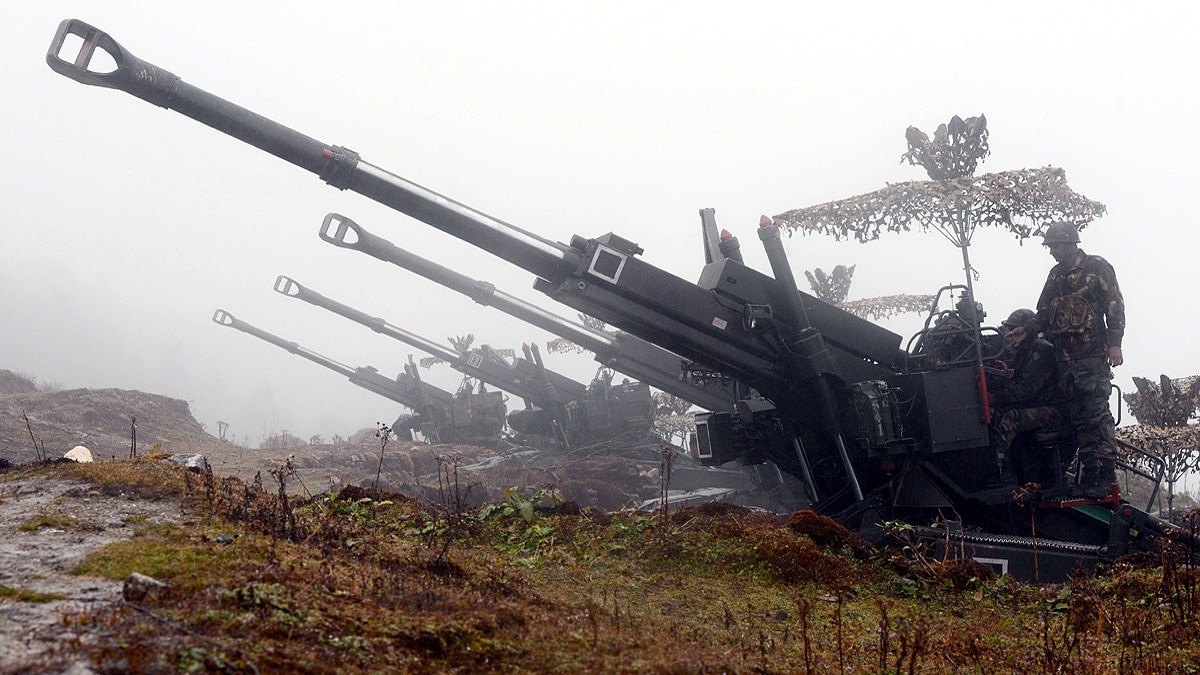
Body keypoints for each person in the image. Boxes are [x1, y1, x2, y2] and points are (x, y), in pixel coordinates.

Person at [1005, 221, 1125, 498]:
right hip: (1065, 363)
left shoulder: (1097, 268)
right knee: (1080, 420)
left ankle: (1107, 475)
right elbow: (1043, 313)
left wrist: (1115, 344)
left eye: (1054, 246)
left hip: (1092, 358)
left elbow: (1115, 306)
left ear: (1070, 244)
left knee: (1099, 417)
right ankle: (1091, 475)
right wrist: (1027, 331)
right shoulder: (1055, 276)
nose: (1051, 252)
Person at [989, 308, 1062, 486]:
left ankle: (996, 470)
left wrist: (996, 397)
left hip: (1052, 412)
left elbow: (1026, 390)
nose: (1010, 335)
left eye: (1014, 330)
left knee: (1010, 418)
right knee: (994, 414)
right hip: (1036, 406)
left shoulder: (1041, 351)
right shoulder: (1024, 351)